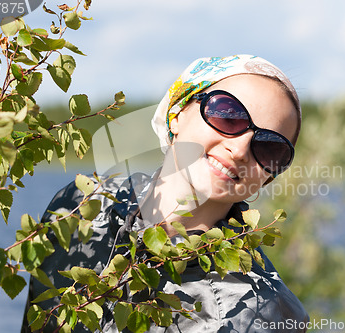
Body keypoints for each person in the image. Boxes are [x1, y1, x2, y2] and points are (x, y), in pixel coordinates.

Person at [22, 55, 309, 332]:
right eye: (228, 115)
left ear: (269, 176)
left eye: (270, 147)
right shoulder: (80, 205)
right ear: (177, 114)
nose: (239, 150)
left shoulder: (263, 310)